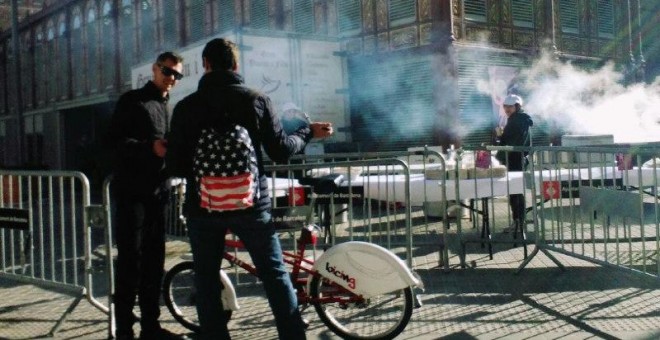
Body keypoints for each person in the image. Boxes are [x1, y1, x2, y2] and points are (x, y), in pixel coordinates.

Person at [166, 38, 333, 339]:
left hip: (203, 207)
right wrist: (306, 132)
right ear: (236, 65)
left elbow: (176, 166)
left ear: (205, 65)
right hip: (252, 204)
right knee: (274, 274)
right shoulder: (257, 100)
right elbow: (281, 150)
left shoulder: (185, 107)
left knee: (206, 279)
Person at [108, 52, 186, 340]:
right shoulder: (132, 101)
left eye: (177, 75)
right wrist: (148, 148)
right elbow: (112, 144)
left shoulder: (167, 105)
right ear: (154, 69)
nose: (172, 78)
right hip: (132, 195)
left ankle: (150, 327)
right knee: (131, 262)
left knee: (154, 262)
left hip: (158, 193)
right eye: (167, 71)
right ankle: (125, 331)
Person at [496, 94, 533, 233]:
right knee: (515, 192)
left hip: (516, 161)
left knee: (516, 192)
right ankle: (518, 222)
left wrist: (498, 157)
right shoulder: (517, 119)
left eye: (510, 107)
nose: (507, 109)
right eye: (505, 106)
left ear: (517, 107)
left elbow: (512, 143)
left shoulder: (518, 121)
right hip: (516, 160)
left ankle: (519, 223)